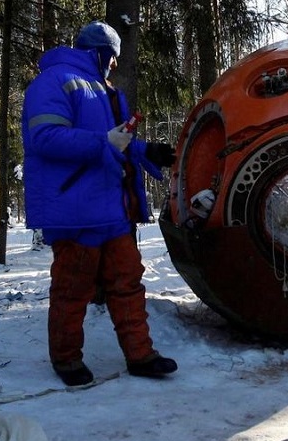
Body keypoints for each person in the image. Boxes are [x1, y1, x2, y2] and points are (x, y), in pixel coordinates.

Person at [22, 21, 179, 386]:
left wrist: (146, 150)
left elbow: (116, 142)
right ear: (98, 51)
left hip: (112, 207)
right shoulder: (54, 81)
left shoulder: (106, 90)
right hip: (75, 207)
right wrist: (103, 142)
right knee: (72, 288)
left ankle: (141, 355)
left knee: (128, 282)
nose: (113, 65)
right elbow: (45, 137)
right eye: (111, 57)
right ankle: (66, 360)